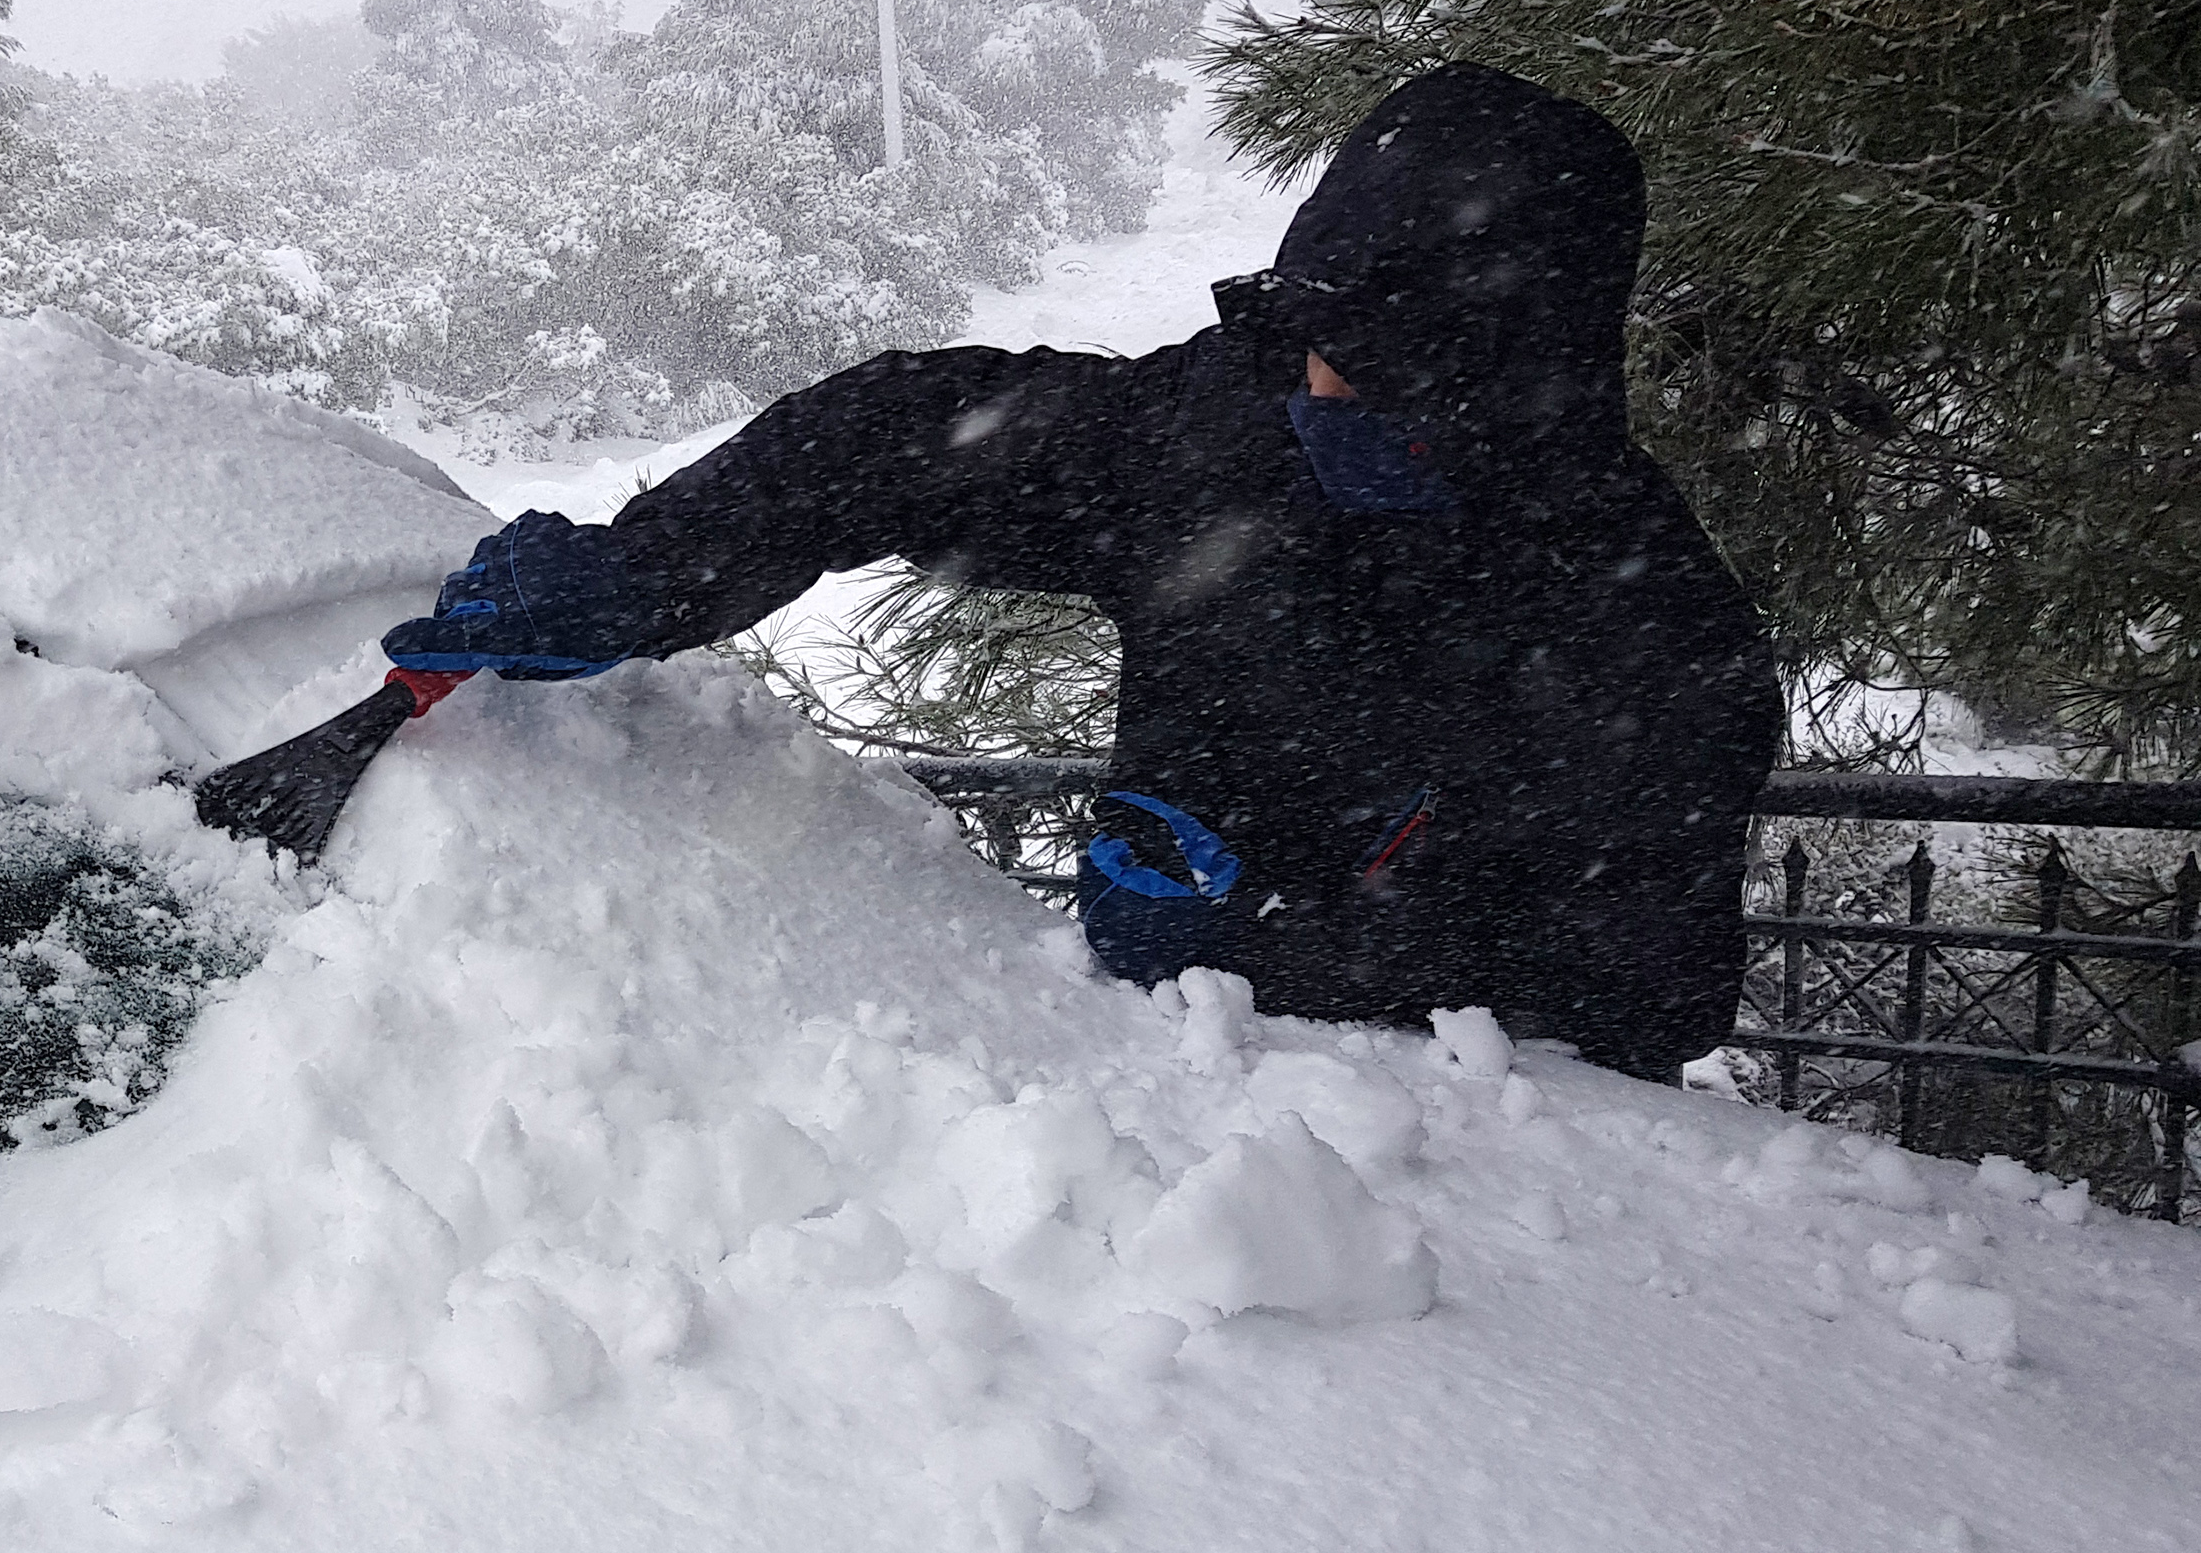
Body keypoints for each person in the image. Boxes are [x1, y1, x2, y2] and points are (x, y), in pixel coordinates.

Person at [380, 64, 1781, 1083]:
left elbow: (1638, 1000)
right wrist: (648, 568)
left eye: (1374, 364)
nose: (1316, 382)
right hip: (1120, 1135)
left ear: (1519, 374)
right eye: (1306, 335)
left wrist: (1278, 950)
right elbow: (895, 436)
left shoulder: (1655, 637)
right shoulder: (1229, 438)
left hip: (1428, 1229)